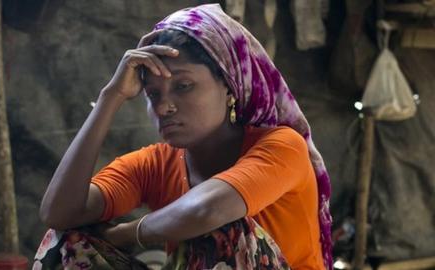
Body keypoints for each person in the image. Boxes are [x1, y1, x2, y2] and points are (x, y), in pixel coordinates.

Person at [36, 4, 332, 270]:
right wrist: (110, 97)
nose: (164, 107)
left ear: (229, 86)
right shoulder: (155, 164)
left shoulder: (281, 146)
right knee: (68, 239)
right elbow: (59, 213)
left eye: (184, 86)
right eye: (153, 94)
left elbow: (208, 210)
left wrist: (126, 234)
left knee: (222, 230)